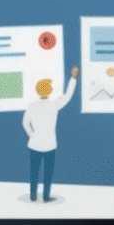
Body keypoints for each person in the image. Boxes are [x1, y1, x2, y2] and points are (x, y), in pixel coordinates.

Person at [19, 66, 77, 202]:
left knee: (34, 172)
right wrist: (73, 78)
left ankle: (33, 195)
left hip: (34, 145)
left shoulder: (32, 106)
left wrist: (32, 136)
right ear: (49, 91)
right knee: (48, 173)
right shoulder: (53, 105)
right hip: (50, 145)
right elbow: (67, 97)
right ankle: (46, 196)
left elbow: (25, 123)